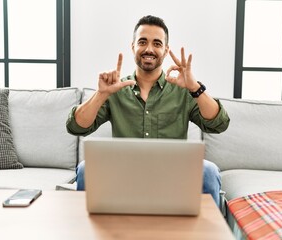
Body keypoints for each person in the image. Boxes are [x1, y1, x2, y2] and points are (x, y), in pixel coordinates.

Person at [66, 15, 230, 207]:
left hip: (173, 174)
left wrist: (195, 87)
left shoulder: (182, 89)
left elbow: (219, 124)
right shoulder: (116, 89)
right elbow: (76, 127)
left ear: (166, 50)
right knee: (87, 169)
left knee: (209, 171)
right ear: (133, 46)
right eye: (142, 42)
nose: (149, 49)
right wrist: (101, 95)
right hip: (124, 171)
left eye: (157, 43)